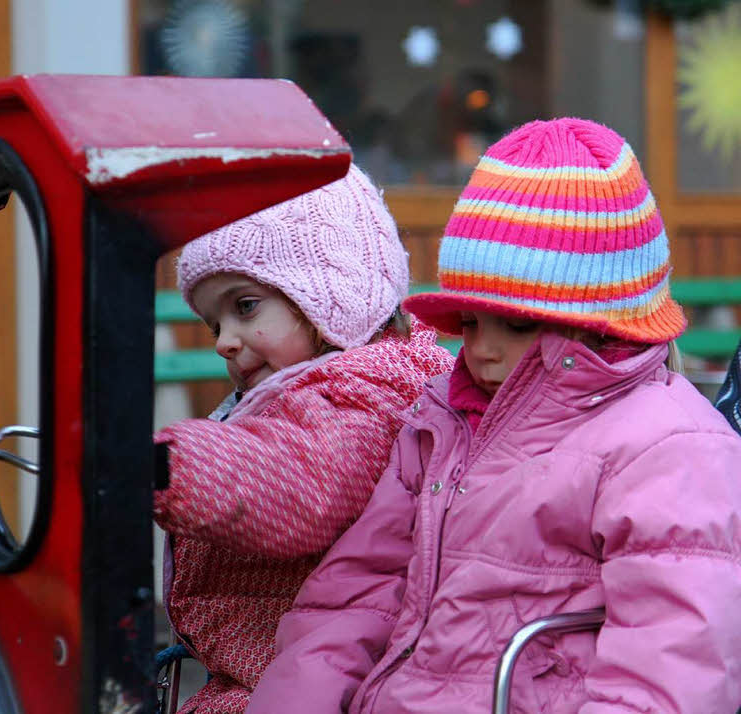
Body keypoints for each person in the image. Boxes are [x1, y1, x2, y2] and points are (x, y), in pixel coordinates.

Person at [248, 118, 741, 713]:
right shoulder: (442, 417)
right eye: (471, 321)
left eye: (516, 324)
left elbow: (670, 665)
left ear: (597, 324)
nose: (480, 349)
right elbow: (358, 596)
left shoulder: (668, 448)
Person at [154, 164, 455, 714]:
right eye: (213, 323)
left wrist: (167, 467)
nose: (225, 341)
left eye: (245, 307)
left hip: (307, 690)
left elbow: (300, 479)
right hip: (264, 676)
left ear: (333, 297)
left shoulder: (370, 400)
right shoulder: (313, 390)